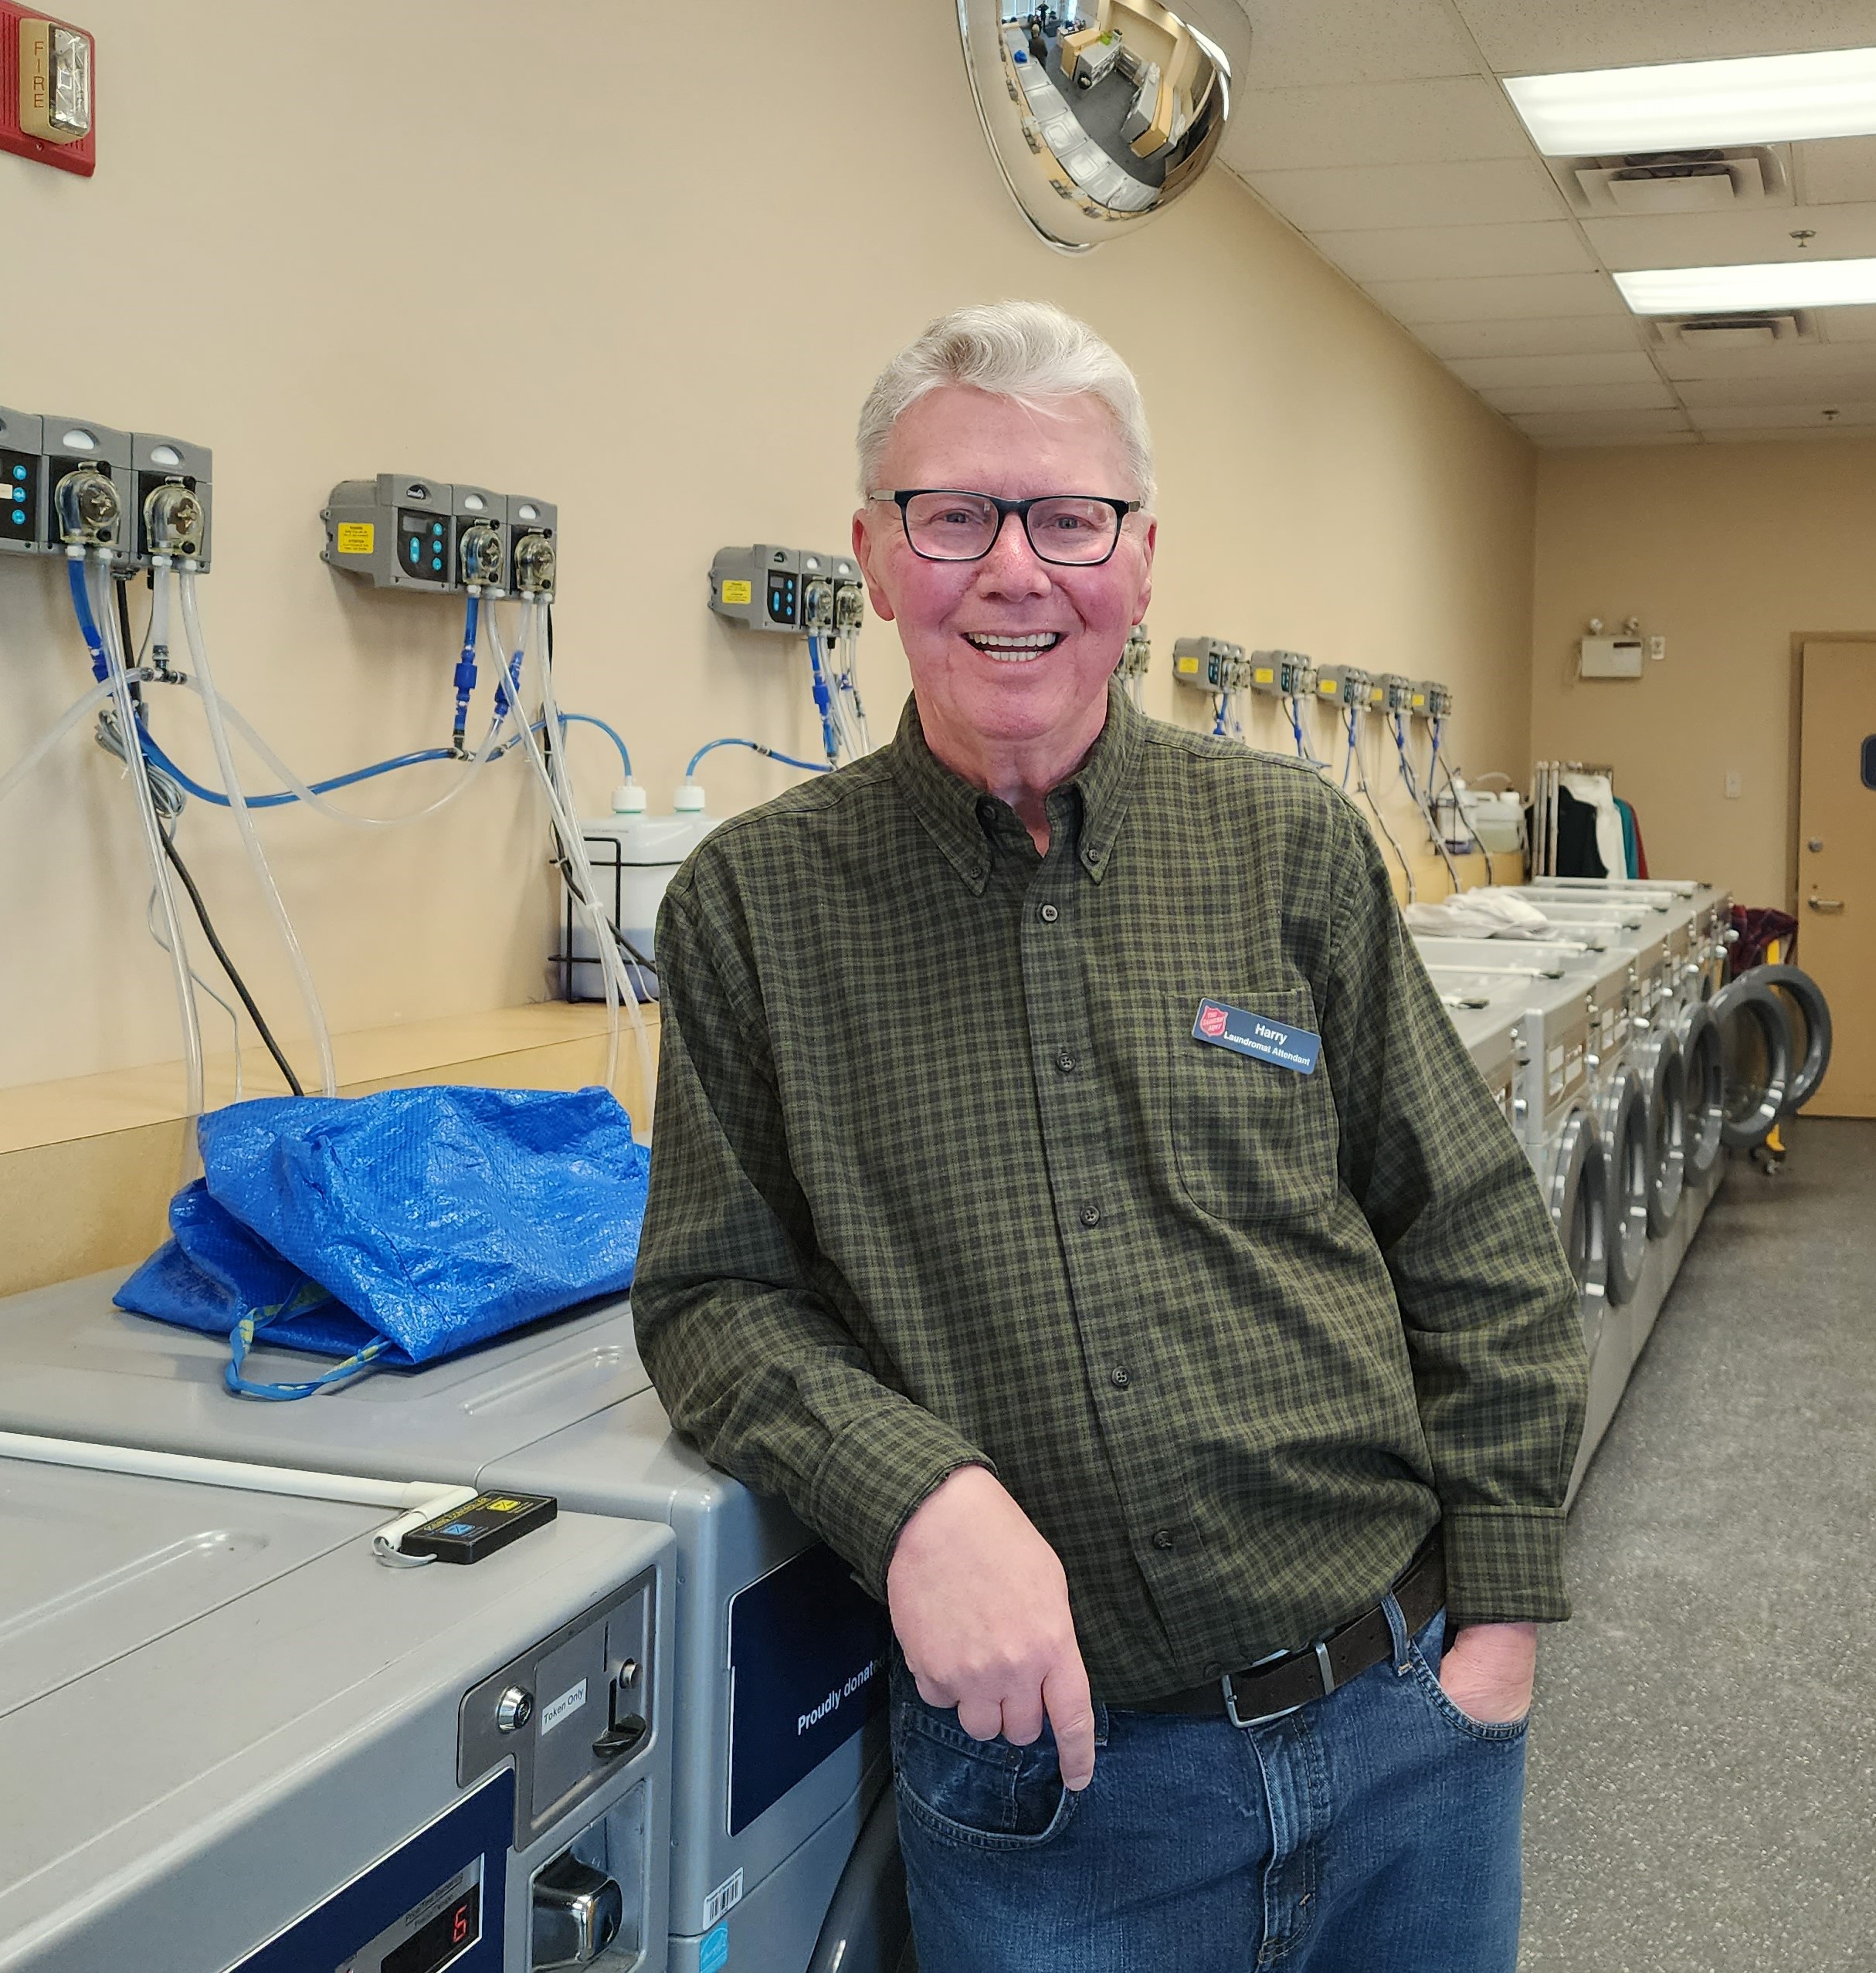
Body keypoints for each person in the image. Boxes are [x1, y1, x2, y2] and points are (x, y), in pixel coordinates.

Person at [633, 300, 1587, 1972]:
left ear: (1140, 564)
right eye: (956, 514)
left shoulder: (1289, 846)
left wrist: (1495, 1627)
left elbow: (1473, 1236)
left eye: (1070, 519)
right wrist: (916, 1495)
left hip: (1404, 1733)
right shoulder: (754, 910)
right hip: (1058, 1806)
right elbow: (713, 1300)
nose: (1017, 570)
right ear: (874, 553)